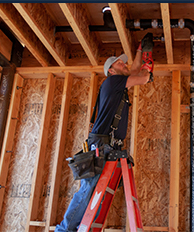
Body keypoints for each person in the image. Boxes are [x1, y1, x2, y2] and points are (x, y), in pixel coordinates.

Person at [55, 33, 154, 232]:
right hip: (102, 145)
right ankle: (64, 230)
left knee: (93, 191)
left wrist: (140, 50)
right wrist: (148, 62)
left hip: (107, 145)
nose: (124, 65)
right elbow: (142, 77)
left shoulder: (118, 85)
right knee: (87, 190)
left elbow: (133, 70)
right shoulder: (113, 82)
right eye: (120, 63)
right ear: (111, 69)